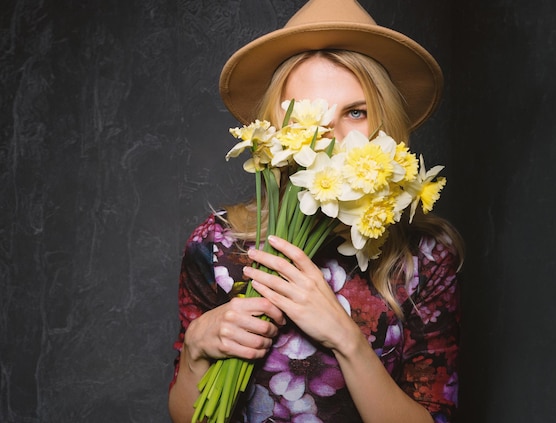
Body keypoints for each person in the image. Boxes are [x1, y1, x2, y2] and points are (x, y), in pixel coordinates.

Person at [168, 1, 464, 422]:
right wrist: (198, 348)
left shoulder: (425, 258)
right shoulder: (217, 247)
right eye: (308, 116)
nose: (332, 139)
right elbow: (188, 418)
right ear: (275, 126)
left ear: (385, 127)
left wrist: (346, 337)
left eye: (356, 112)